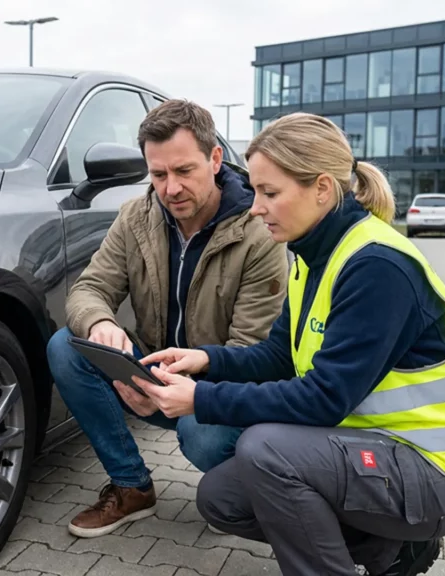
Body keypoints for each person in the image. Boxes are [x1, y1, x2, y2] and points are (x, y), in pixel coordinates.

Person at [132, 112, 445, 576]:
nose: (255, 207)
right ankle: (393, 551)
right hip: (378, 451)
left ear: (322, 188)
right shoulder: (312, 255)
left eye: (269, 192)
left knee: (267, 450)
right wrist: (205, 360)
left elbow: (324, 399)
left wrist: (199, 399)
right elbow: (279, 357)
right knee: (222, 498)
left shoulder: (376, 266)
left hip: (437, 474)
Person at [46, 99, 289, 539]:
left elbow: (255, 354)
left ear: (215, 159)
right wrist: (101, 323)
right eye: (158, 175)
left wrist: (183, 394)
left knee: (200, 435)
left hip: (223, 392)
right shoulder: (135, 217)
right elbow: (88, 289)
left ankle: (239, 495)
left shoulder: (259, 232)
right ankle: (132, 488)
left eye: (184, 171)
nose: (171, 188)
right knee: (66, 346)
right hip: (156, 376)